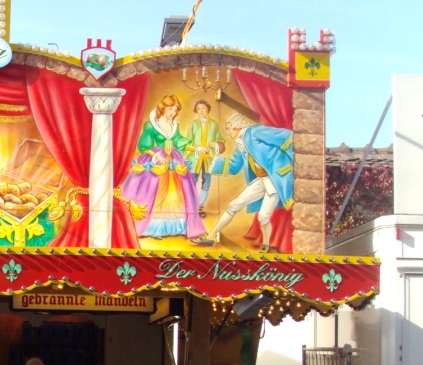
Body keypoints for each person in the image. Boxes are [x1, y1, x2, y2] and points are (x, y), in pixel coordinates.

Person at [189, 112, 294, 253]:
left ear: (237, 127)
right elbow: (233, 166)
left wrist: (291, 163)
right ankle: (211, 236)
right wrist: (212, 156)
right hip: (262, 180)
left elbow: (287, 136)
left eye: (228, 128)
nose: (227, 131)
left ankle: (266, 244)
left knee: (263, 217)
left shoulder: (255, 131)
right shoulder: (240, 144)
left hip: (275, 180)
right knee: (233, 205)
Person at [117, 94, 206, 241]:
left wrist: (196, 148)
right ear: (163, 107)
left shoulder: (174, 125)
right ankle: (152, 228)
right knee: (154, 193)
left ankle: (179, 227)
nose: (172, 112)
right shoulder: (152, 124)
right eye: (170, 109)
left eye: (175, 110)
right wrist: (156, 156)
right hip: (156, 161)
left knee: (177, 193)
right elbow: (144, 145)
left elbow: (179, 141)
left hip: (173, 162)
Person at [183, 99, 224, 217]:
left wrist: (214, 147)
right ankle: (191, 207)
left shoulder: (214, 125)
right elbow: (187, 143)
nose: (201, 111)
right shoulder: (193, 124)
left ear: (208, 110)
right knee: (192, 182)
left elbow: (220, 140)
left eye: (203, 108)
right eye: (198, 109)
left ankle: (200, 207)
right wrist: (197, 148)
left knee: (206, 183)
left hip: (208, 159)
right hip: (194, 159)